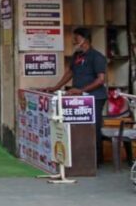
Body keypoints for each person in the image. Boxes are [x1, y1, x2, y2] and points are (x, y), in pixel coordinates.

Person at [45, 27, 107, 166]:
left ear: (85, 40)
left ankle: (96, 159)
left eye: (76, 38)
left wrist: (81, 90)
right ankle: (80, 157)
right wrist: (56, 87)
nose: (74, 41)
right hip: (80, 98)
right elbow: (70, 73)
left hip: (95, 98)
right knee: (78, 127)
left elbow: (100, 80)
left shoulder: (97, 57)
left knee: (93, 127)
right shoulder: (77, 56)